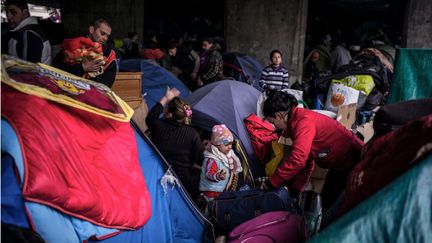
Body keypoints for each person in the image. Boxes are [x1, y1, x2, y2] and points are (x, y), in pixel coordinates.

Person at [260, 90, 363, 209]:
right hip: (339, 166)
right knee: (327, 198)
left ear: (279, 115)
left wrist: (271, 183)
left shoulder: (303, 122)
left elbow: (298, 159)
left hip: (355, 163)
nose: (274, 126)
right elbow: (307, 160)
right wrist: (296, 189)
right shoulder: (295, 123)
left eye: (272, 122)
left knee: (334, 206)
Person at [145, 87, 204, 200]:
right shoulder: (192, 133)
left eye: (166, 108)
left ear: (169, 114)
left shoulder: (158, 126)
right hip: (182, 182)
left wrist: (166, 98)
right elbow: (200, 160)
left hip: (156, 176)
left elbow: (151, 116)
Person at [52, 18, 117, 88]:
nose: (105, 38)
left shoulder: (109, 53)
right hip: (67, 91)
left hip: (91, 95)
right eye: (103, 33)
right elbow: (56, 68)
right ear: (91, 30)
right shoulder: (72, 45)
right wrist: (82, 68)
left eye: (107, 35)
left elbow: (108, 81)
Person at [199, 124, 242, 201]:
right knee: (212, 208)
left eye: (231, 144)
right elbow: (209, 174)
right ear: (217, 144)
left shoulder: (227, 155)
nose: (230, 147)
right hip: (211, 191)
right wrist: (218, 175)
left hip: (220, 189)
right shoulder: (213, 159)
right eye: (226, 144)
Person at [2, 0, 51, 64]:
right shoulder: (23, 31)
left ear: (25, 13)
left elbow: (30, 69)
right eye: (7, 12)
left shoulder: (30, 34)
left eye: (13, 12)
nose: (8, 16)